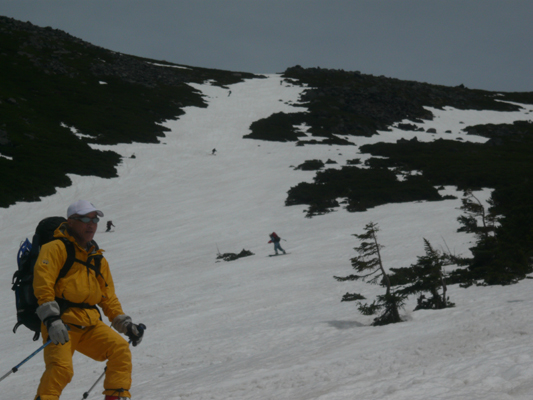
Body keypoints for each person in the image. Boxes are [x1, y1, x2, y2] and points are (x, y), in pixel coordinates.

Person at [33, 200, 144, 400]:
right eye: (85, 219)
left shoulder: (97, 257)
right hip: (62, 323)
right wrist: (51, 319)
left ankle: (115, 397)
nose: (91, 224)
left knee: (120, 350)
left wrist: (124, 324)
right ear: (71, 222)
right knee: (61, 369)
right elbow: (43, 284)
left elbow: (107, 296)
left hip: (90, 323)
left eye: (95, 219)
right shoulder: (55, 248)